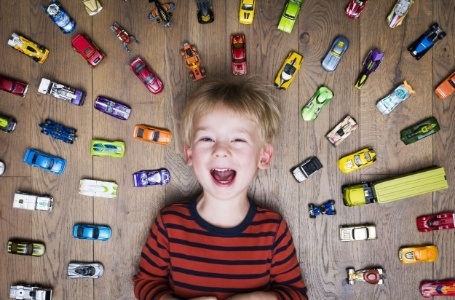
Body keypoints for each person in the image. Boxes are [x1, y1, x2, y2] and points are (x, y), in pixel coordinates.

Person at [133, 78, 308, 300]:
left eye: (238, 139)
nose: (221, 150)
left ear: (263, 156)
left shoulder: (272, 230)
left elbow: (296, 295)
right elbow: (146, 284)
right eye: (207, 138)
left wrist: (261, 299)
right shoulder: (169, 223)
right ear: (189, 154)